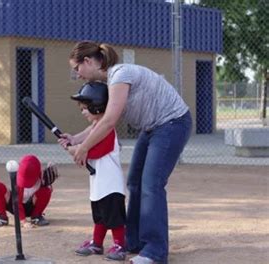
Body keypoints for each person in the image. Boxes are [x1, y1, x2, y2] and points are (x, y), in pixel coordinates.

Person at [64, 41, 192, 264]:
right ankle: (133, 242)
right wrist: (75, 139)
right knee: (134, 182)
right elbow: (102, 120)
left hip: (172, 123)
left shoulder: (120, 75)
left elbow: (110, 122)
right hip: (152, 127)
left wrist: (83, 148)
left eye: (77, 69)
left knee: (151, 185)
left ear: (88, 61)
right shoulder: (110, 82)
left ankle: (155, 251)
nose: (77, 74)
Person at [59, 81, 127, 261]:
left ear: (97, 107)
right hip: (99, 184)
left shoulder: (107, 130)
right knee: (100, 216)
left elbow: (94, 151)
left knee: (114, 217)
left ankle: (120, 244)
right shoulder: (97, 126)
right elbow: (87, 134)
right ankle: (97, 243)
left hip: (111, 185)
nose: (82, 112)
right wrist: (72, 140)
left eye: (85, 108)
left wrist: (76, 150)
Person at [0, 154, 59, 228]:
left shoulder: (43, 178)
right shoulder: (18, 181)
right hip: (15, 205)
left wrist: (47, 185)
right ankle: (2, 217)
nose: (26, 183)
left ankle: (36, 216)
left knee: (47, 189)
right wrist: (23, 221)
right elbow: (17, 202)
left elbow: (45, 194)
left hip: (31, 207)